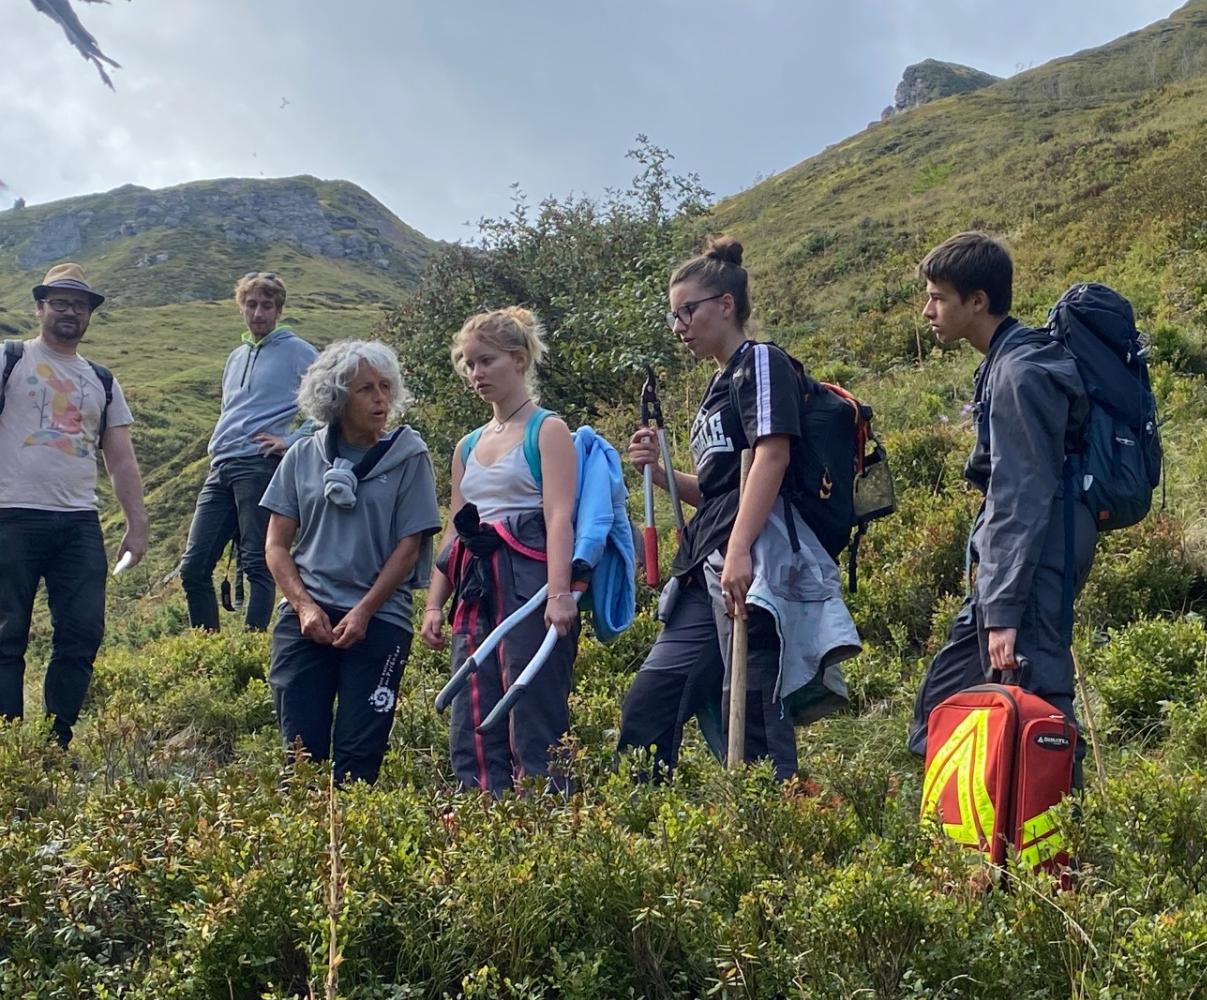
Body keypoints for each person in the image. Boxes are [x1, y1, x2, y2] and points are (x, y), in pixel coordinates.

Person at [618, 237, 858, 782]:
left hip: (751, 558)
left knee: (751, 704)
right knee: (651, 701)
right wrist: (658, 473)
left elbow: (772, 454)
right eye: (672, 315)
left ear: (725, 305)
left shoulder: (762, 363)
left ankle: (773, 831)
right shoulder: (717, 384)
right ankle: (641, 824)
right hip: (708, 557)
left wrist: (741, 551)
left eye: (688, 310)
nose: (679, 325)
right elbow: (721, 487)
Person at [907, 232, 1097, 773]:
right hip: (1023, 562)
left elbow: (1022, 494)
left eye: (938, 297)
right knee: (949, 701)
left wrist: (1004, 612)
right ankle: (986, 837)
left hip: (1036, 558)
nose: (928, 311)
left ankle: (1060, 843)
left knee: (1039, 703)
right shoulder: (1006, 362)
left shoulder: (1018, 373)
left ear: (978, 301)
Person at [261, 340, 441, 783]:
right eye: (366, 389)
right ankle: (307, 842)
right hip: (307, 617)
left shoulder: (410, 457)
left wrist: (363, 611)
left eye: (385, 386)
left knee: (360, 755)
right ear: (337, 397)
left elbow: (409, 544)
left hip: (380, 619)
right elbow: (276, 546)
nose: (381, 398)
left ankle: (351, 841)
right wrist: (303, 606)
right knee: (300, 753)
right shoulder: (302, 456)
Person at [421, 308, 581, 795]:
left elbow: (558, 516)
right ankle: (483, 806)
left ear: (518, 359)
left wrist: (560, 593)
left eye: (486, 361)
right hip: (475, 582)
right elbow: (457, 528)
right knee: (474, 692)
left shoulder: (547, 430)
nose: (476, 374)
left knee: (530, 692)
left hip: (529, 580)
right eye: (468, 364)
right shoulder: (467, 445)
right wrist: (433, 603)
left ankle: (548, 806)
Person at [0, 263, 148, 747]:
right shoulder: (10, 359)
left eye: (79, 306)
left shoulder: (102, 380)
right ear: (40, 307)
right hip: (11, 515)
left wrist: (137, 523)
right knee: (7, 635)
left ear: (89, 316)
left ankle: (55, 741)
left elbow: (121, 459)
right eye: (59, 302)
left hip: (79, 523)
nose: (69, 312)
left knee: (82, 635)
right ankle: (8, 744)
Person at [179, 271, 318, 631]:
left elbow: (332, 403)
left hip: (258, 465)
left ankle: (252, 644)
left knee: (257, 560)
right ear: (241, 307)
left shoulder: (298, 351)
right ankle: (206, 649)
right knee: (193, 566)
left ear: (279, 310)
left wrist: (292, 440)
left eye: (267, 306)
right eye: (252, 304)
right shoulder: (235, 356)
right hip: (221, 464)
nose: (258, 313)